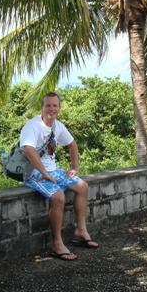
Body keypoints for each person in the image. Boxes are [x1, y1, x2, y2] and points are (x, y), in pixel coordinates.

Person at [20, 92, 99, 261]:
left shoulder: (58, 126)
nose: (51, 109)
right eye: (48, 105)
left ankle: (80, 231)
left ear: (59, 108)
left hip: (53, 170)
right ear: (42, 107)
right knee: (58, 196)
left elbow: (72, 144)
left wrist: (74, 168)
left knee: (82, 186)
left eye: (55, 105)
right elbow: (28, 150)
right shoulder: (32, 126)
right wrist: (45, 173)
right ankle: (57, 244)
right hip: (34, 173)